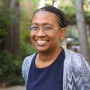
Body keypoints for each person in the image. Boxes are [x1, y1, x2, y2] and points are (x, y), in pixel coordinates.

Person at [22, 6, 90, 90]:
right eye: (35, 27)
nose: (39, 34)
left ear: (61, 33)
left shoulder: (76, 63)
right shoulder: (27, 62)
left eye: (47, 27)